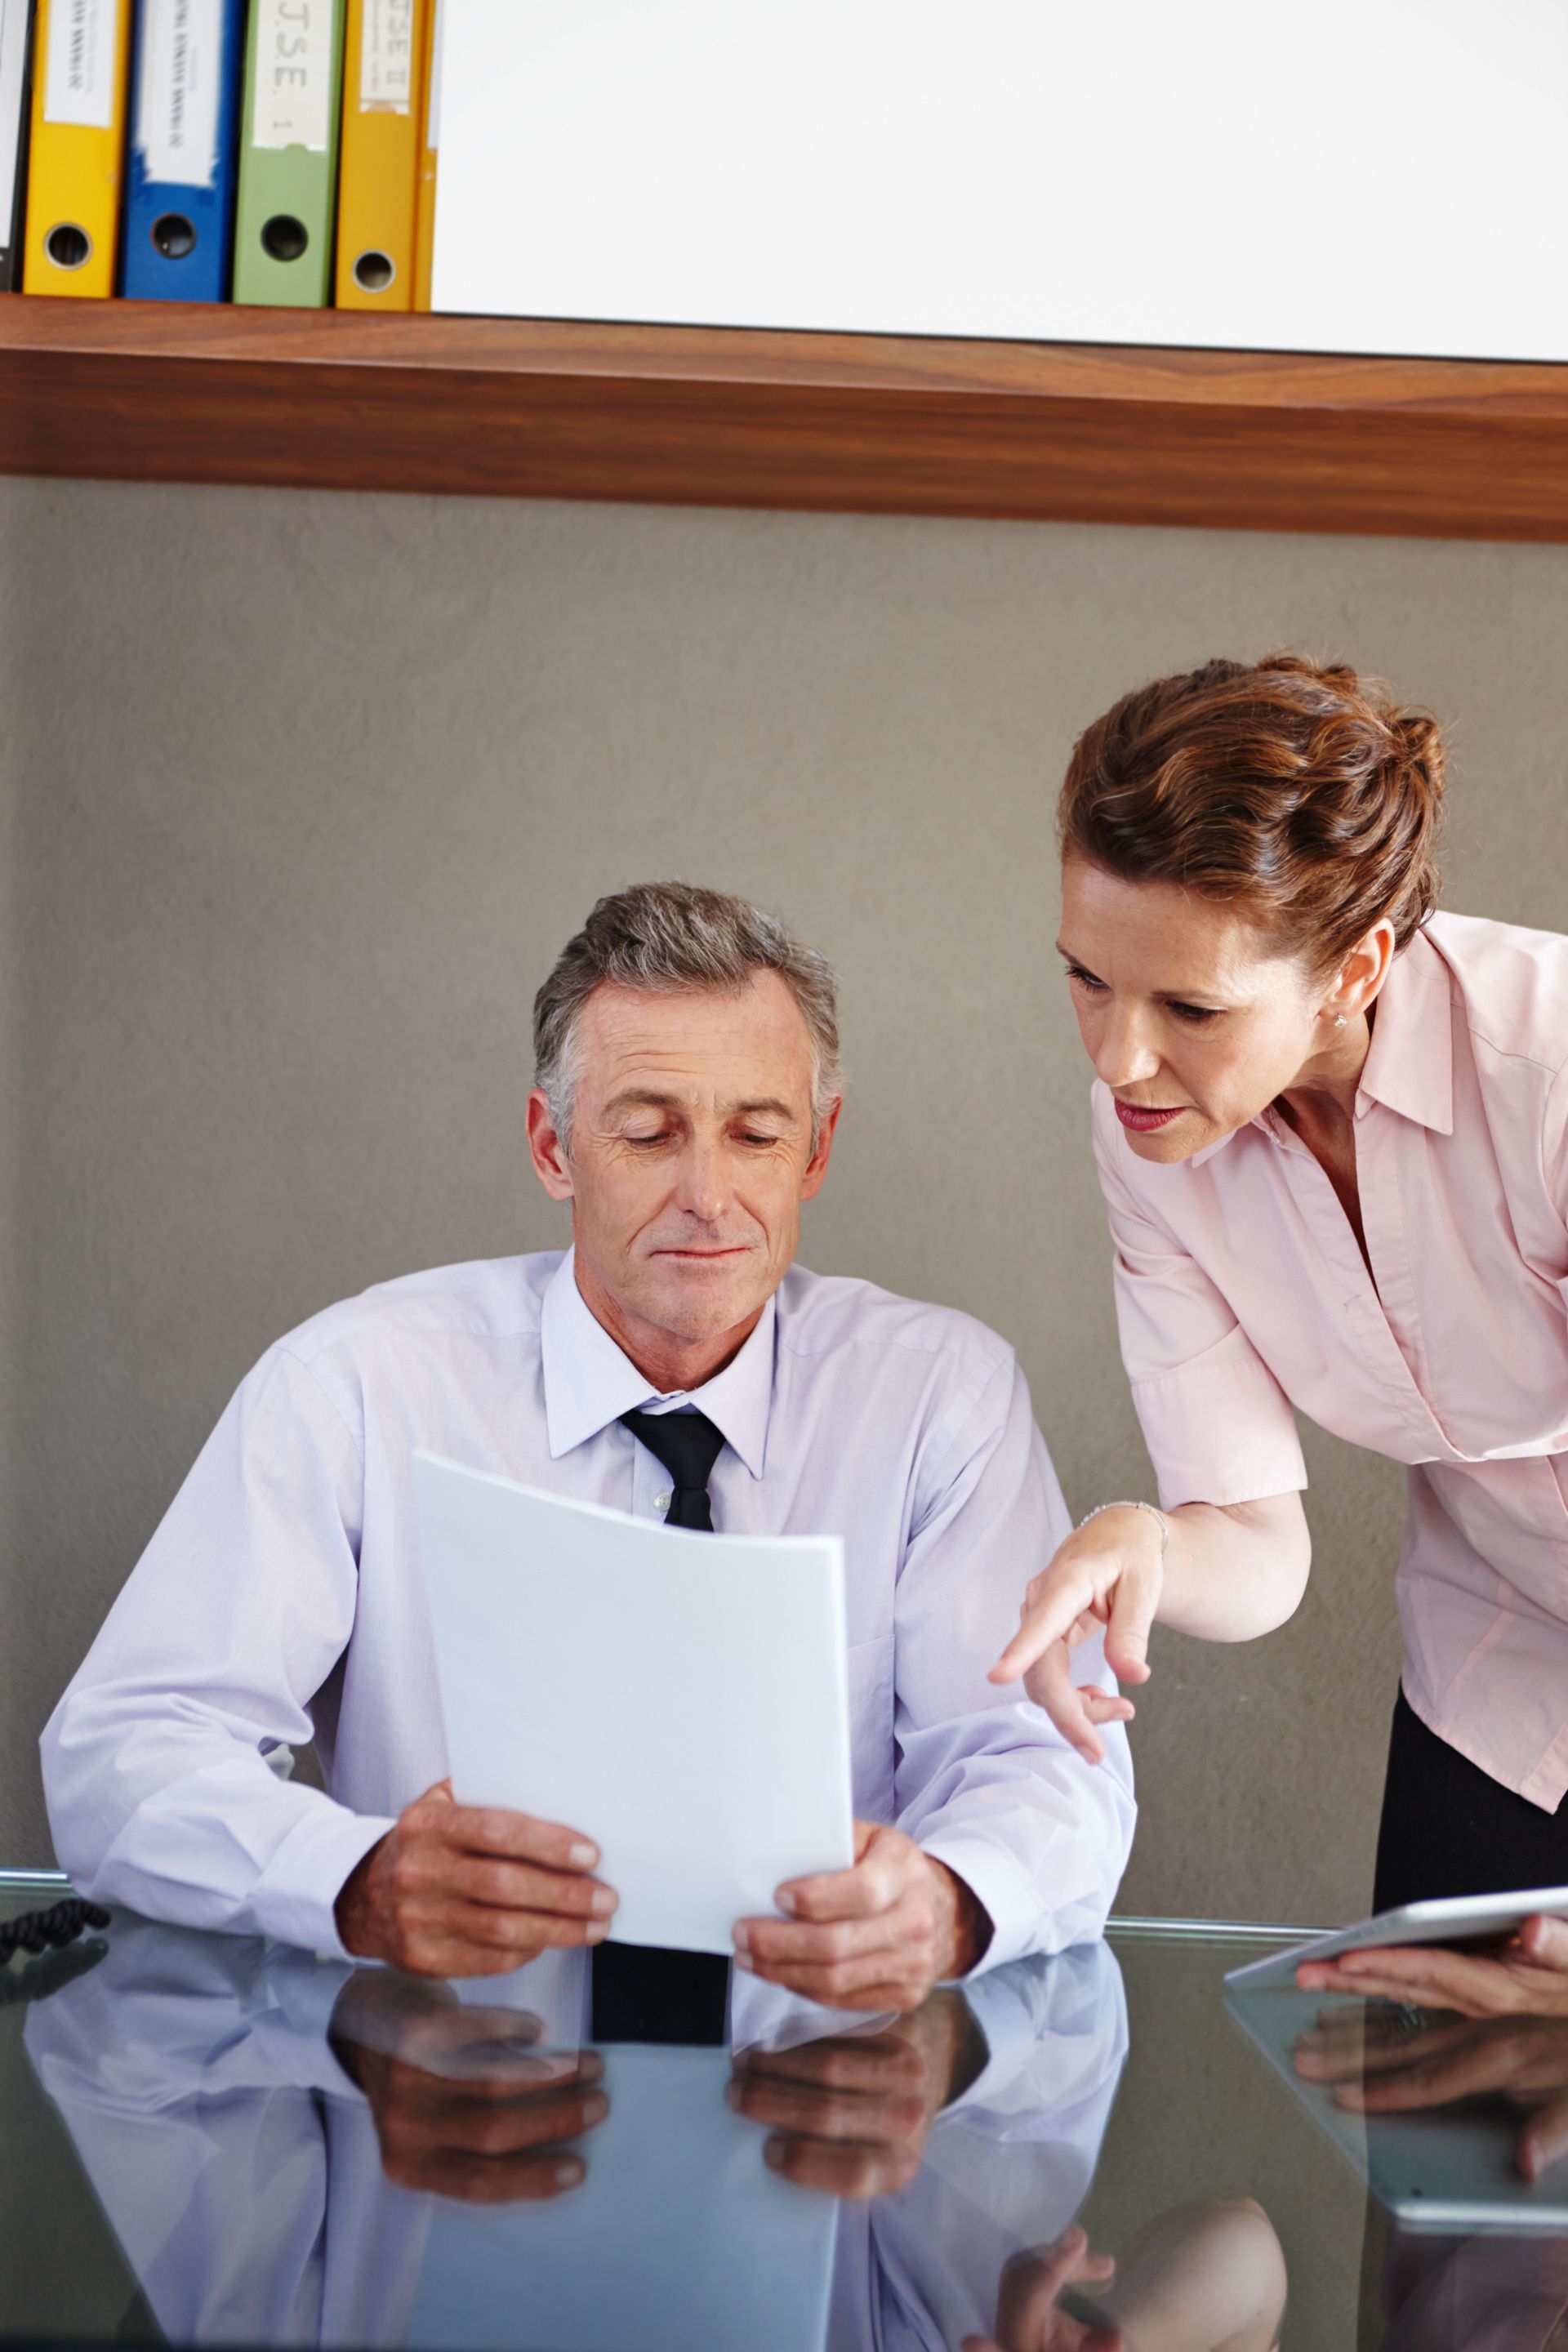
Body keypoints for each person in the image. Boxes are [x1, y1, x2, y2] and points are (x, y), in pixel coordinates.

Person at [42, 881, 1133, 2008]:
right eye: (649, 1133)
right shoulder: (352, 1389)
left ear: (816, 1150)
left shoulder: (941, 1401)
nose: (709, 1197)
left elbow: (1044, 1765)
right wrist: (351, 1880)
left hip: (822, 2099)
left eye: (756, 1134)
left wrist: (953, 1902)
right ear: (552, 1146)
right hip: (448, 2094)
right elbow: (123, 1752)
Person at [988, 653, 1568, 1964]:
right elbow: (1259, 1542)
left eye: (1190, 1005)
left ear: (1357, 964)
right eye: (1088, 977)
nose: (1118, 1060)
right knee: (1436, 2149)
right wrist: (1149, 1543)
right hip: (1496, 1682)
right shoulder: (1151, 1134)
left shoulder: (1553, 1075)